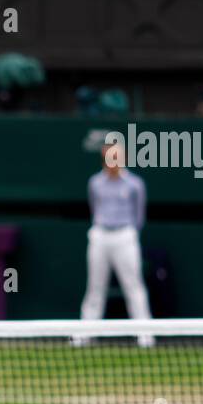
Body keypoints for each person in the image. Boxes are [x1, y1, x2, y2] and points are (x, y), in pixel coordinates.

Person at [77, 140, 154, 348]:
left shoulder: (135, 184)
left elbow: (139, 216)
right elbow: (94, 208)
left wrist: (127, 232)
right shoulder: (94, 183)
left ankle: (145, 336)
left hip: (125, 236)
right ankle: (85, 335)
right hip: (100, 235)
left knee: (134, 286)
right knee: (95, 287)